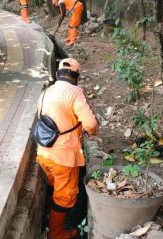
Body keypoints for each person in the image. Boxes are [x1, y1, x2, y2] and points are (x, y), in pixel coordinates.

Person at [36, 58, 99, 239]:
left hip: (44, 153)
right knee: (65, 196)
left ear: (57, 75)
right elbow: (91, 124)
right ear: (77, 77)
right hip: (64, 157)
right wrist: (87, 130)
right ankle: (56, 233)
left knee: (56, 187)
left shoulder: (46, 92)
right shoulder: (75, 92)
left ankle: (51, 216)